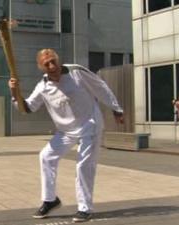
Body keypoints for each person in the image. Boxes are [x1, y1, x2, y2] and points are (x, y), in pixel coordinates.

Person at [8, 48, 124, 223]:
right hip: (66, 130)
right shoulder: (43, 87)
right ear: (41, 67)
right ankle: (50, 200)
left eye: (54, 60)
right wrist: (14, 93)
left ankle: (85, 208)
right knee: (46, 157)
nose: (52, 65)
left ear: (58, 59)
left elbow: (100, 87)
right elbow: (28, 108)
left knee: (83, 166)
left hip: (89, 125)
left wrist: (116, 108)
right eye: (47, 63)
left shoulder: (76, 72)